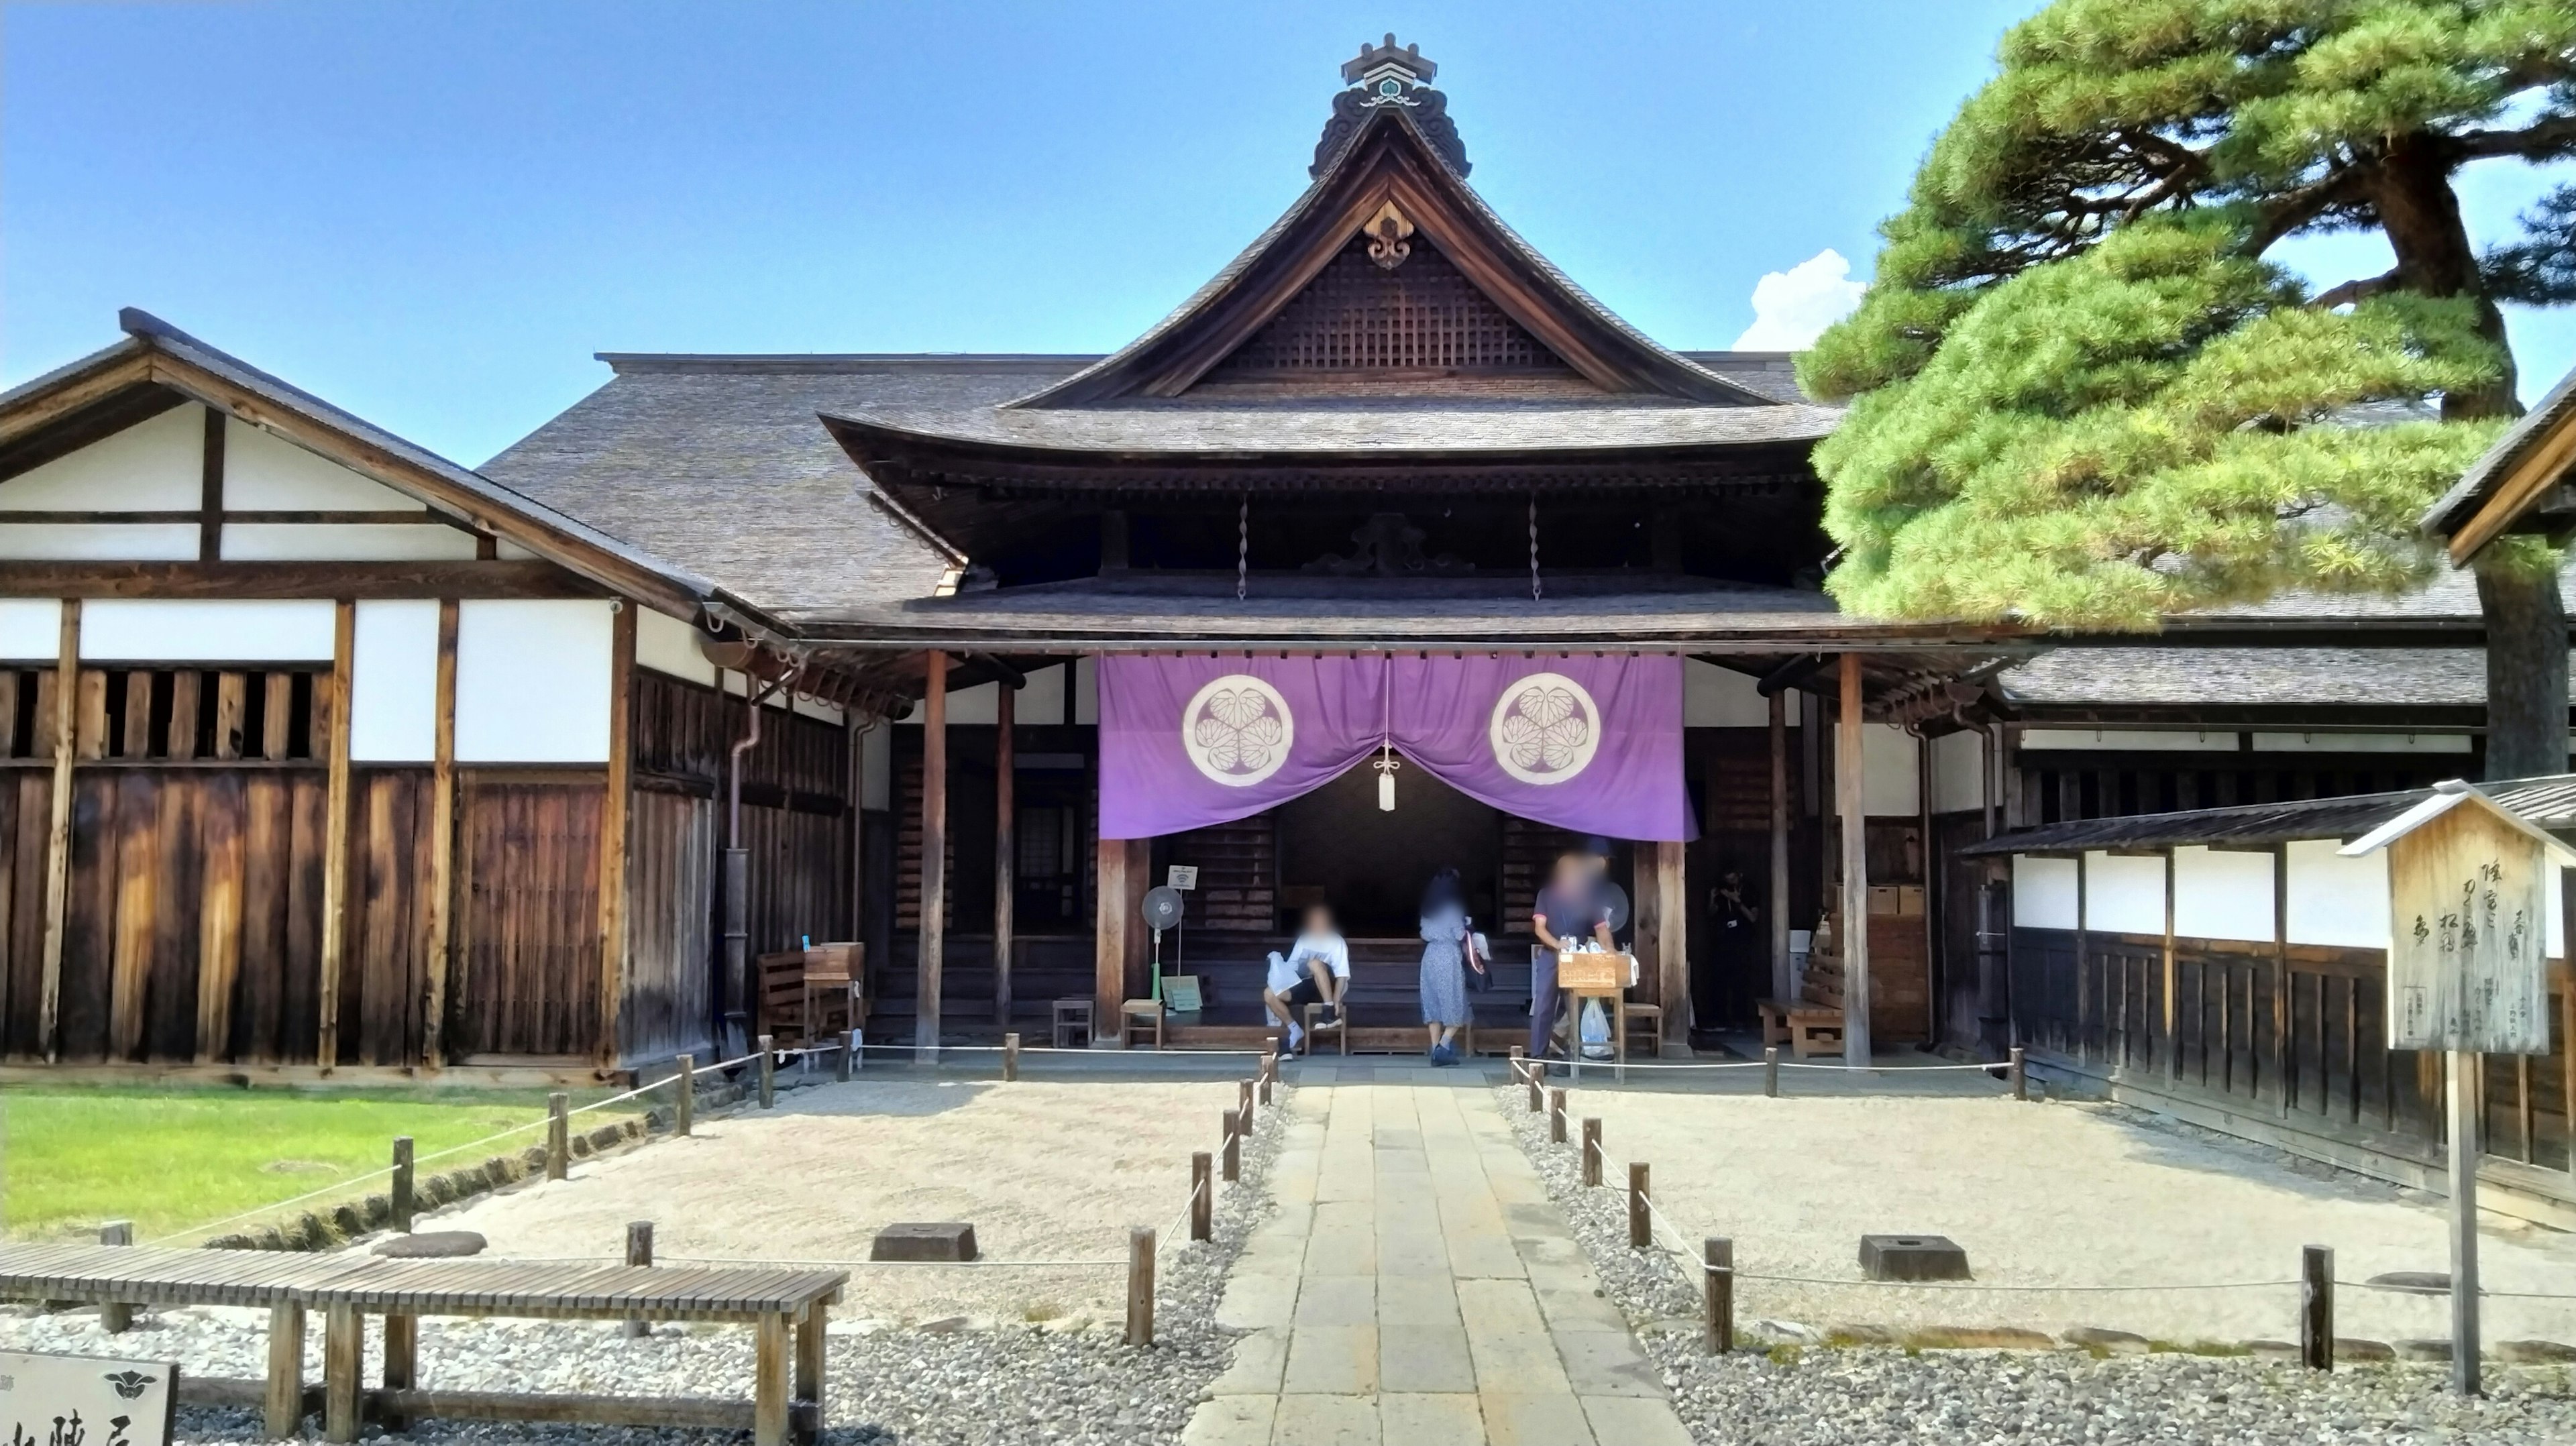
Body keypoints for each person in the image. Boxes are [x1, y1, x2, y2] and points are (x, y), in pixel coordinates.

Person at [1530, 850, 1614, 1060]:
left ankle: (1572, 1057)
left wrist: (1610, 950)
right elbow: (1540, 928)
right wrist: (1557, 944)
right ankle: (1539, 1057)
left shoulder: (1589, 898)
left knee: (1575, 1007)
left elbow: (1602, 929)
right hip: (1551, 956)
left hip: (1577, 958)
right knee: (1543, 1007)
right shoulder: (1546, 895)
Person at [1264, 902, 1350, 1054]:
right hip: (1306, 985)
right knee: (1269, 994)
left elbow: (1342, 975)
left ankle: (1328, 1012)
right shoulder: (1304, 940)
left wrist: (1336, 1000)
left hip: (1329, 986)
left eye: (1321, 920)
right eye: (1315, 921)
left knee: (1315, 964)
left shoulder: (1337, 942)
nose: (1318, 924)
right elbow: (1291, 969)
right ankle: (1294, 1030)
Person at [1417, 869, 1483, 1066]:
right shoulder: (1453, 908)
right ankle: (1443, 1047)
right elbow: (1459, 934)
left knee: (1433, 1004)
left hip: (1430, 956)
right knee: (1455, 1003)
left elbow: (1424, 933)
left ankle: (1435, 1050)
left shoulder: (1427, 908)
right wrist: (1468, 928)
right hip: (1447, 955)